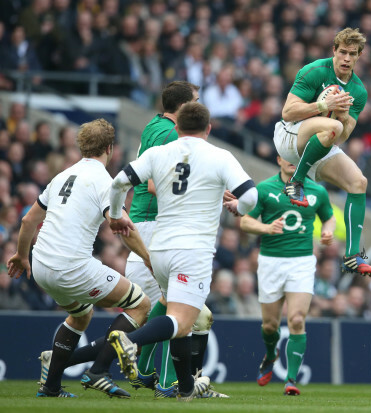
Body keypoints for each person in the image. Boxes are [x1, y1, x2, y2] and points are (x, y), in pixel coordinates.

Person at [106, 102, 257, 401]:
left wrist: (114, 215)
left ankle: (182, 386)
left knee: (174, 315)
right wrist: (239, 208)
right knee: (183, 320)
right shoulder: (219, 155)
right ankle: (130, 340)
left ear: (176, 127)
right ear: (209, 128)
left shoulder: (158, 153)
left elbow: (119, 181)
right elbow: (251, 195)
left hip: (159, 248)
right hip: (192, 250)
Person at [6, 119, 152, 398]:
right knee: (140, 305)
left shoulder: (62, 176)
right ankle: (98, 371)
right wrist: (147, 258)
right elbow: (121, 225)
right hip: (71, 267)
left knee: (81, 314)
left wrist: (21, 256)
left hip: (41, 266)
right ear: (110, 148)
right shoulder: (104, 181)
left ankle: (50, 386)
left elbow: (28, 221)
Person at [124, 80, 216, 398]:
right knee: (179, 309)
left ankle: (144, 372)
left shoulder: (154, 125)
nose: (199, 106)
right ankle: (168, 382)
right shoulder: (168, 134)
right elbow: (152, 185)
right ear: (182, 107)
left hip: (147, 222)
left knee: (164, 304)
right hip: (153, 222)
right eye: (196, 101)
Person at [273, 27, 371, 276]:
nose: (347, 58)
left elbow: (343, 135)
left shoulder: (359, 91)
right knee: (331, 126)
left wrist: (343, 115)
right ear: (334, 50)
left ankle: (352, 256)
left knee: (358, 182)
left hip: (322, 142)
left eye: (353, 54)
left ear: (359, 56)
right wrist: (323, 105)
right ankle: (295, 182)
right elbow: (287, 113)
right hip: (290, 136)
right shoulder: (314, 71)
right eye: (343, 52)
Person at [239, 156, 335, 396]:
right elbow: (245, 221)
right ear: (279, 159)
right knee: (270, 325)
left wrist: (327, 231)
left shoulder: (317, 191)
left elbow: (329, 216)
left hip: (301, 262)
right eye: (288, 157)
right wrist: (266, 228)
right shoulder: (264, 189)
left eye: (299, 158)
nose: (293, 161)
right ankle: (271, 354)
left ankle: (291, 379)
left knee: (296, 319)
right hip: (271, 261)